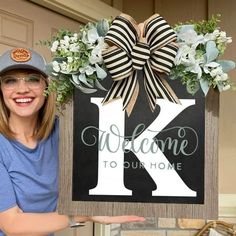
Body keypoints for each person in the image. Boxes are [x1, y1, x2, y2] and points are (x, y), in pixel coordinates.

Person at [0, 48, 145, 236]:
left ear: (47, 85)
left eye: (33, 79)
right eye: (10, 80)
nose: (22, 89)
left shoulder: (64, 132)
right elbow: (12, 224)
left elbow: (116, 141)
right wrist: (82, 215)